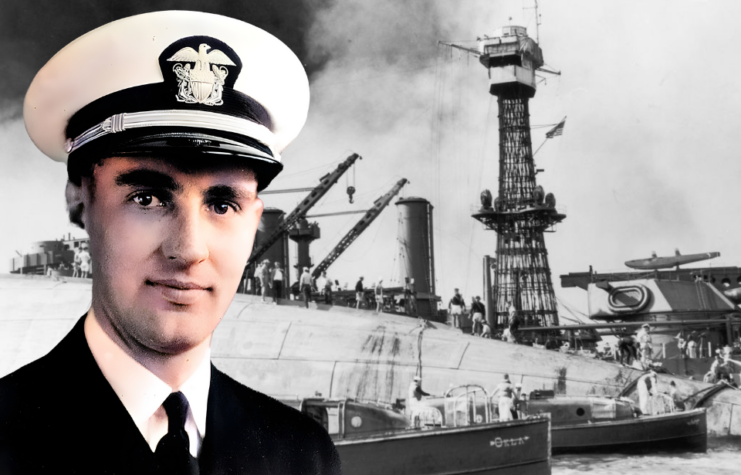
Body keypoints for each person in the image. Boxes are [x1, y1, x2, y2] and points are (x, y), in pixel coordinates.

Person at [0, 11, 340, 474]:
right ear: (80, 200)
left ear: (256, 221)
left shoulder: (302, 454)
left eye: (222, 205)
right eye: (148, 197)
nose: (188, 249)